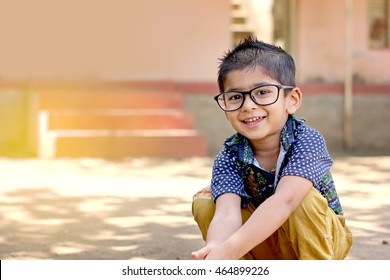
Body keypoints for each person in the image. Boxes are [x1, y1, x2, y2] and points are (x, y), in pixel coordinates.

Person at [191, 37, 353, 260]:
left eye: (263, 92)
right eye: (236, 96)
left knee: (302, 200)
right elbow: (227, 212)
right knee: (206, 201)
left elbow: (285, 201)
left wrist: (229, 250)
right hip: (265, 242)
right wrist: (217, 248)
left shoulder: (307, 141)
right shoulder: (229, 155)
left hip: (323, 241)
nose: (248, 106)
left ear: (292, 100)